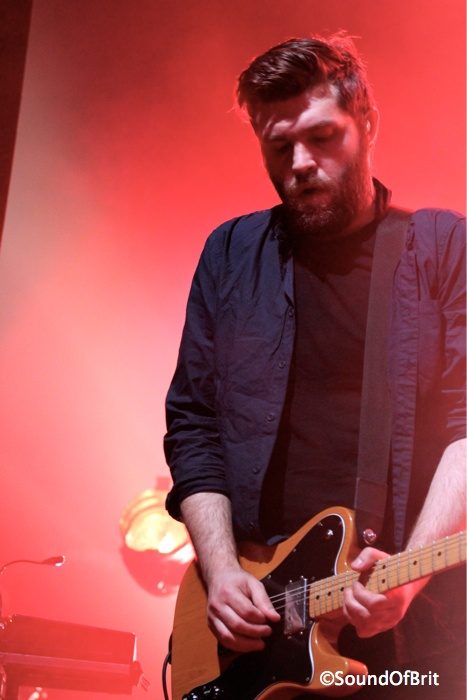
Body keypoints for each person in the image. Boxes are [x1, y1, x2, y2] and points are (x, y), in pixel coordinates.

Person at [164, 33, 466, 699]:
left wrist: (410, 575)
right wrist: (221, 572)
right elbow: (193, 425)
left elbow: (464, 428)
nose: (300, 163)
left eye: (323, 137)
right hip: (252, 627)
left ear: (367, 124)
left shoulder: (443, 248)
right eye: (279, 147)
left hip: (407, 634)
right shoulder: (229, 253)